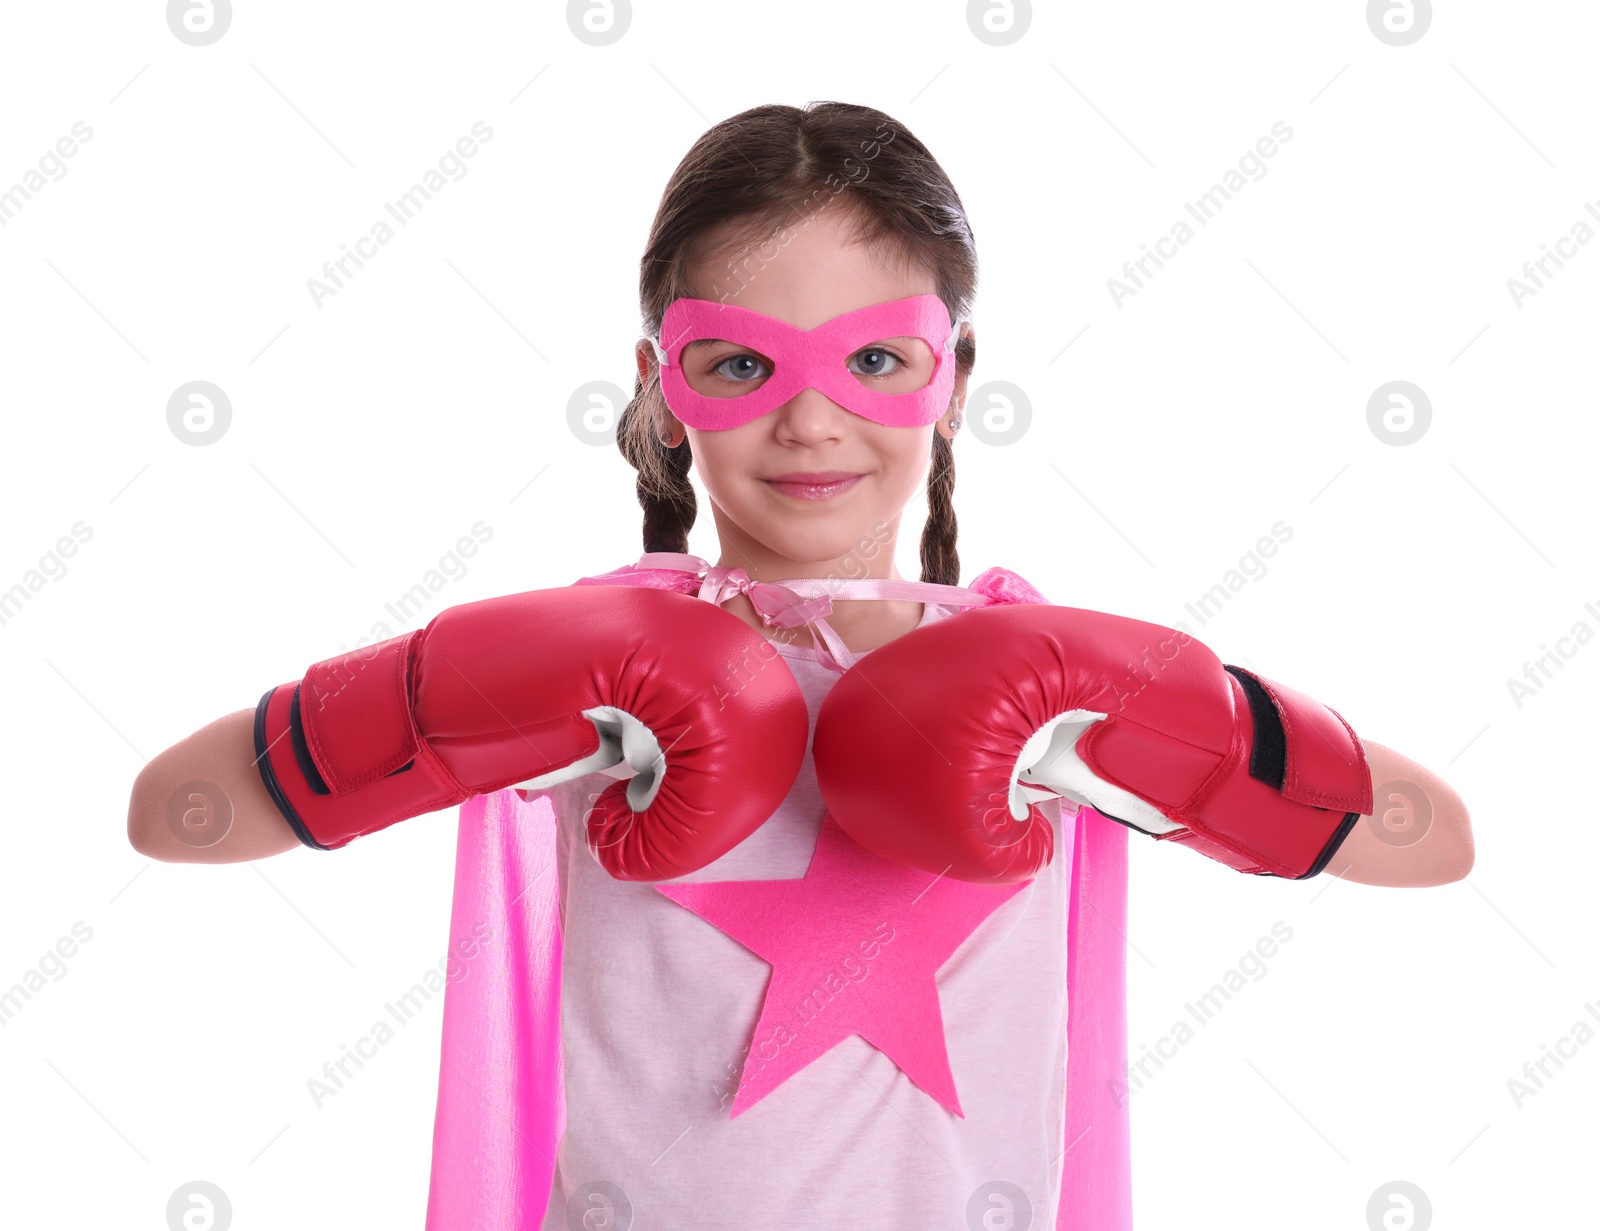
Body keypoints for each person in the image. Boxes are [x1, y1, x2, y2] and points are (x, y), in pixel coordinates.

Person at [127, 101, 1474, 1230]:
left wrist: (1194, 734)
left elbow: (1435, 839)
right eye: (741, 363)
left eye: (877, 358)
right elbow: (173, 814)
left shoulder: (1046, 691)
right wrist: (463, 682)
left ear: (953, 379)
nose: (813, 416)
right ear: (662, 386)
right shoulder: (591, 678)